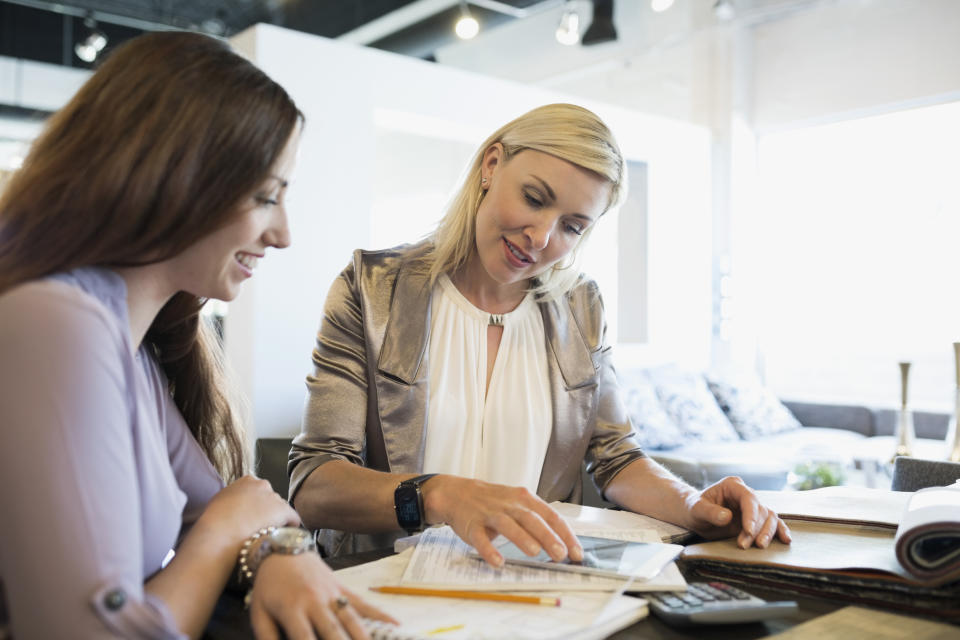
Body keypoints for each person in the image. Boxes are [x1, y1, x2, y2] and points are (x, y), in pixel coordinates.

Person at [0, 32, 391, 639]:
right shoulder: (56, 323)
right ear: (174, 178)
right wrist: (221, 535)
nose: (283, 233)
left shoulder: (133, 353)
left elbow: (240, 502)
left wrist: (276, 553)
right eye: (267, 196)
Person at [288, 103, 793, 565]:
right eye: (534, 198)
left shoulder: (580, 307)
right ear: (490, 166)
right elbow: (314, 485)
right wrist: (436, 494)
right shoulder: (373, 288)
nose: (542, 239)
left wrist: (693, 504)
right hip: (387, 586)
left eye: (572, 226)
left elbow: (617, 459)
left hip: (533, 589)